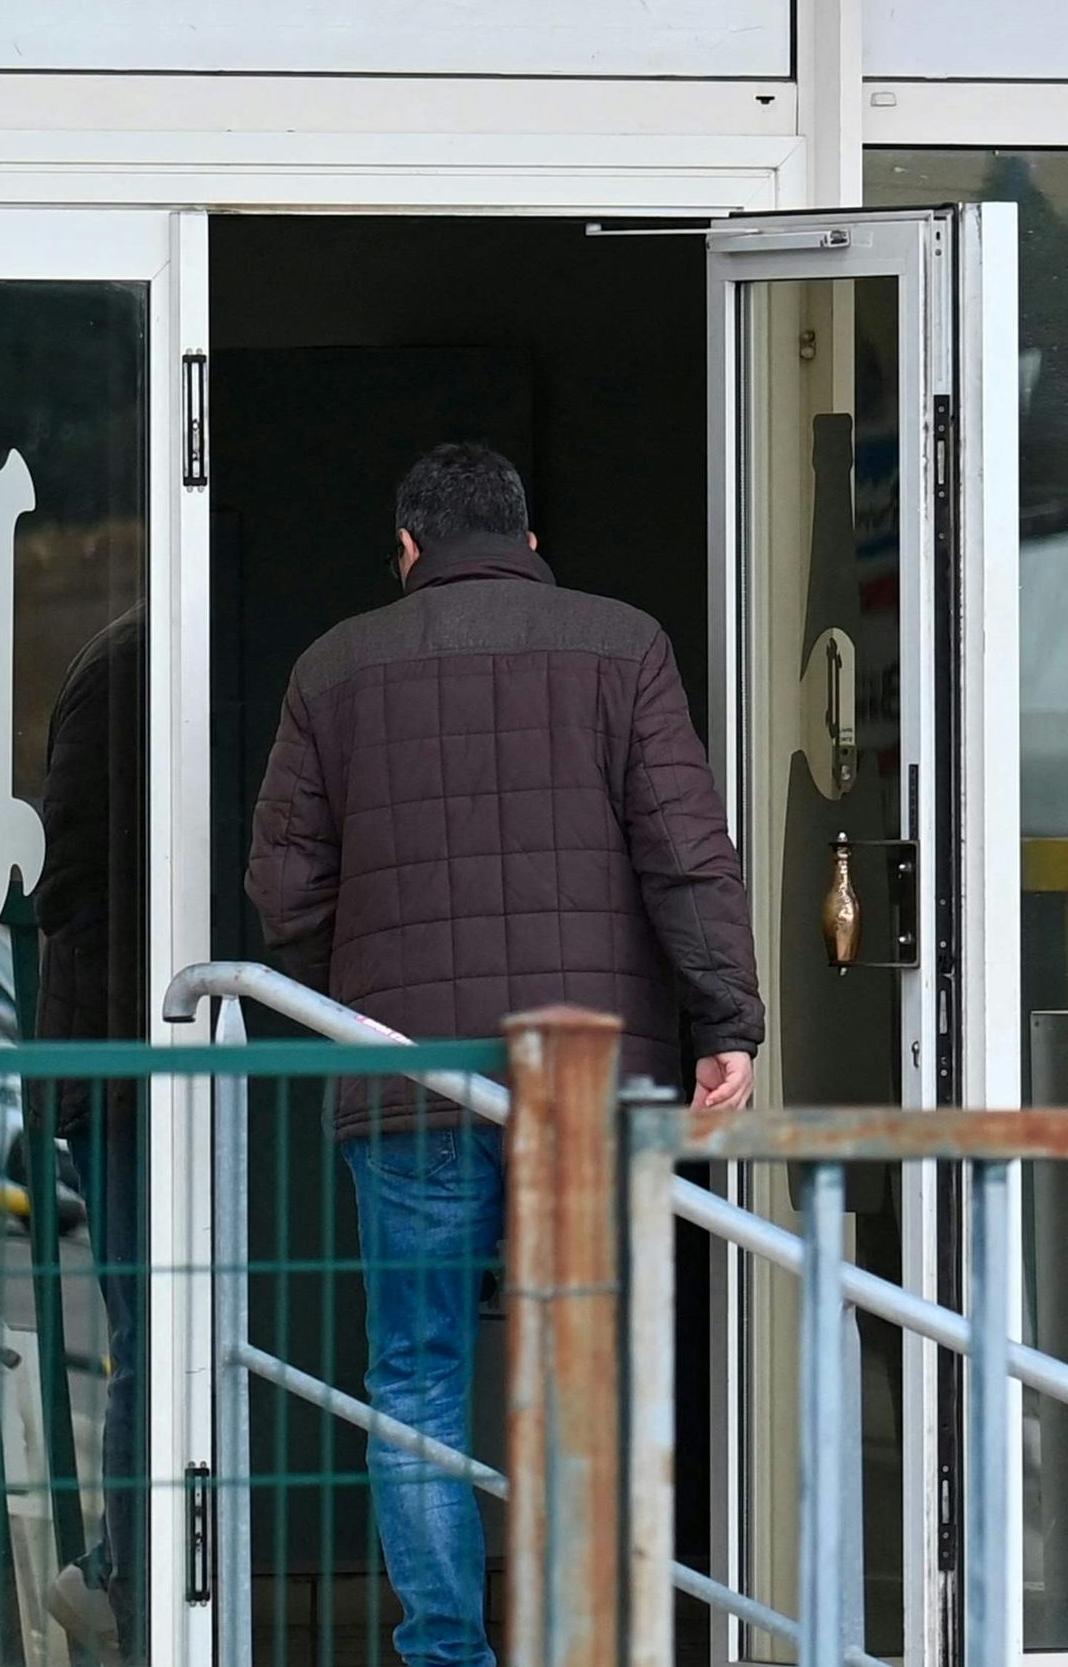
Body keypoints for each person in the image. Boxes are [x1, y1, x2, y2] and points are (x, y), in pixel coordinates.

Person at [244, 443, 763, 1667]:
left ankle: (446, 1653)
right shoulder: (623, 646)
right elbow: (686, 856)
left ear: (407, 548)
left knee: (417, 1379)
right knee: (582, 1368)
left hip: (407, 1083)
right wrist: (726, 1023)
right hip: (586, 1087)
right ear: (529, 540)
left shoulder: (333, 668)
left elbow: (282, 891)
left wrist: (362, 998)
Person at [33, 607, 151, 1659]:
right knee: (156, 1335)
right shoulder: (138, 662)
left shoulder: (119, 658)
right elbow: (66, 881)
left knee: (154, 1335)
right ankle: (125, 1583)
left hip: (117, 1058)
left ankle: (121, 1578)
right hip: (125, 1065)